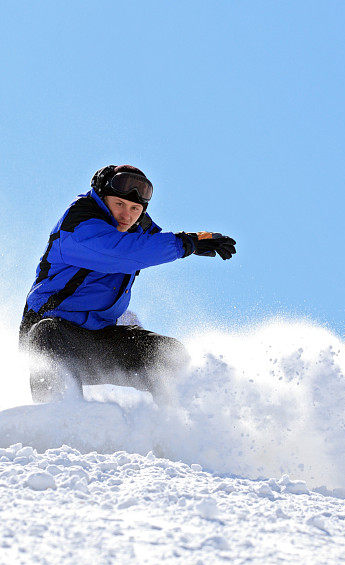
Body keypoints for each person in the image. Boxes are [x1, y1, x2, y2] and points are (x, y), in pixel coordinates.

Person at [20, 164, 236, 403]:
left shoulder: (139, 232)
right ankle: (57, 418)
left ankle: (171, 428)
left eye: (135, 208)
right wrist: (185, 244)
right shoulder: (79, 223)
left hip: (98, 337)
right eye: (119, 204)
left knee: (168, 355)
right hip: (52, 333)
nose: (127, 215)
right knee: (47, 334)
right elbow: (121, 251)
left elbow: (152, 245)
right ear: (102, 199)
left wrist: (198, 240)